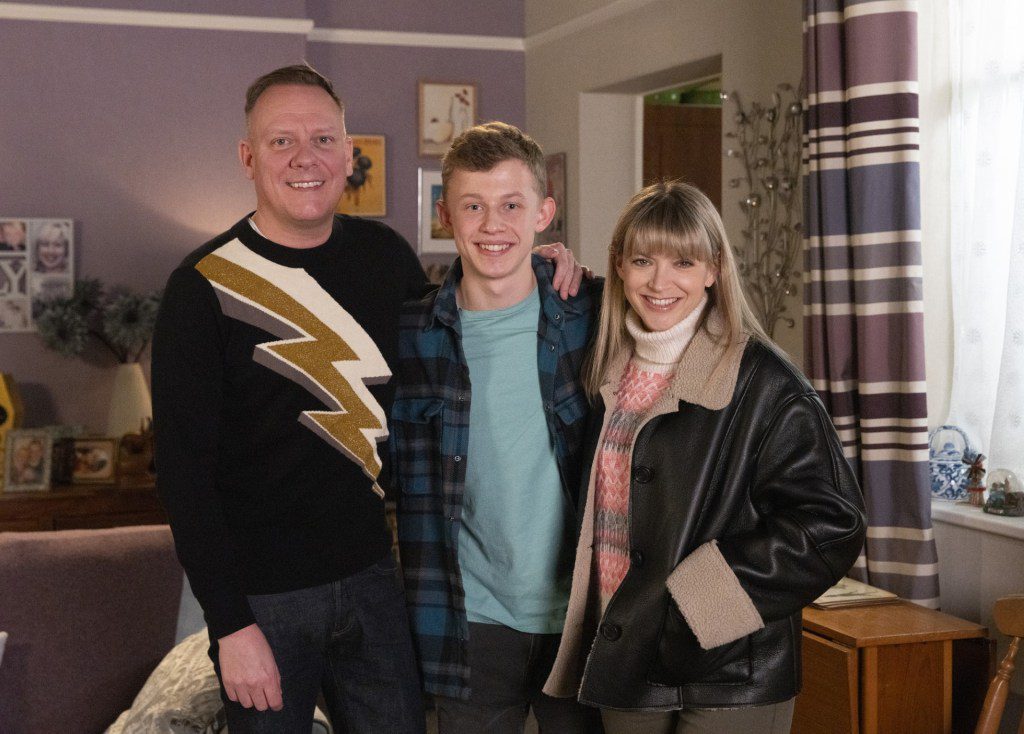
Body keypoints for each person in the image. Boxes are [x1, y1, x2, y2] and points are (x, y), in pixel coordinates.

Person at [152, 65, 583, 734]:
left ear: (348, 154)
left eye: (323, 139)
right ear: (247, 157)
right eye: (280, 142)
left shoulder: (386, 259)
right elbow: (181, 476)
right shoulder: (201, 286)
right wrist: (228, 624)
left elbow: (459, 322)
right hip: (263, 601)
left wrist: (541, 259)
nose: (305, 158)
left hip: (375, 579)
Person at [542, 181, 867, 734]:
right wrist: (542, 261)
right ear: (619, 266)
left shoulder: (766, 382)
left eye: (683, 262)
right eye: (642, 260)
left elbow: (833, 524)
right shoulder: (607, 363)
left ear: (714, 269)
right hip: (626, 649)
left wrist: (699, 604)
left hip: (730, 663)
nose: (659, 282)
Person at [390, 122, 603, 734]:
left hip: (583, 616)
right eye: (473, 206)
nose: (492, 225)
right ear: (444, 215)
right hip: (468, 618)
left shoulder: (595, 313)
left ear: (545, 212)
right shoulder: (409, 331)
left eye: (512, 205)